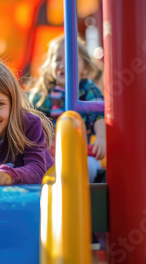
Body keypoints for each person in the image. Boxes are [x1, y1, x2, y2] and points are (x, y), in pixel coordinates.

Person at [29, 34, 106, 182]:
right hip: (51, 155)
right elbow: (36, 123)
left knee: (88, 167)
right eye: (57, 60)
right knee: (41, 168)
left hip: (82, 154)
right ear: (49, 66)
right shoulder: (45, 93)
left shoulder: (86, 88)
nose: (63, 64)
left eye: (70, 59)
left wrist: (101, 137)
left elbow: (98, 115)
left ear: (85, 67)